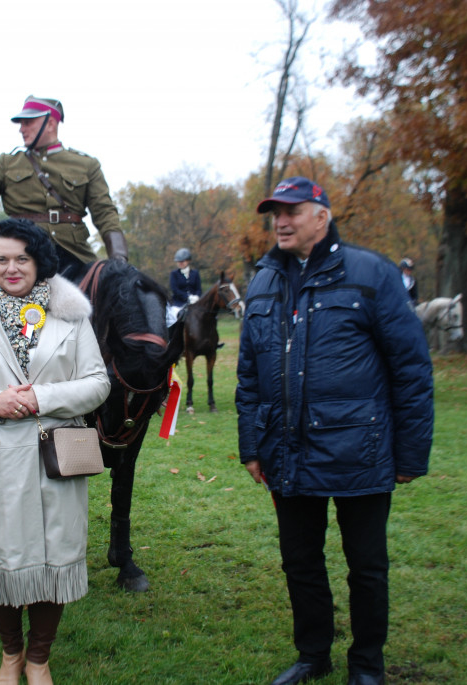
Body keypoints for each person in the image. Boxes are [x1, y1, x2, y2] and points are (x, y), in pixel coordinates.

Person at [236, 177, 434, 685]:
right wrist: (251, 447)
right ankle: (313, 655)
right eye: (275, 212)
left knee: (366, 567)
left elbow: (411, 367)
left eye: (292, 211)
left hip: (359, 452)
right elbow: (249, 375)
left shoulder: (371, 273)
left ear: (321, 216)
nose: (280, 220)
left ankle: (367, 665)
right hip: (286, 451)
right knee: (300, 562)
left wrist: (411, 456)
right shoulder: (262, 282)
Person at [0, 218, 110, 685]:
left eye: (22, 259)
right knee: (0, 561)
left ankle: (38, 659)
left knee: (57, 560)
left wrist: (42, 398)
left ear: (39, 261)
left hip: (58, 458)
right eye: (2, 260)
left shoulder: (71, 314)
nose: (12, 269)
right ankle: (10, 654)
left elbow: (98, 383)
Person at [0, 95, 128, 281]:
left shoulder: (86, 165)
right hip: (20, 254)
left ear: (50, 124)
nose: (21, 129)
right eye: (20, 124)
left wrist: (119, 258)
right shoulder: (8, 163)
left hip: (75, 256)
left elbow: (105, 213)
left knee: (121, 294)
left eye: (28, 122)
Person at [166, 248, 201, 327]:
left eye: (182, 261)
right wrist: (188, 297)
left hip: (195, 302)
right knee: (174, 318)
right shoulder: (174, 274)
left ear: (188, 261)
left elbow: (198, 289)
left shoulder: (195, 273)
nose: (180, 263)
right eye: (179, 262)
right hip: (179, 303)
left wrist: (196, 297)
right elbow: (175, 290)